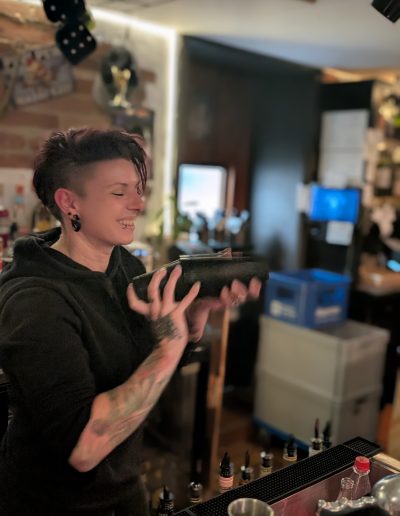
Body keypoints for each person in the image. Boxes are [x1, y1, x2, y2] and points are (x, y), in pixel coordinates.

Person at [0, 128, 261, 516]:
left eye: (139, 190)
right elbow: (84, 448)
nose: (138, 204)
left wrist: (192, 317)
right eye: (119, 192)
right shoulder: (34, 302)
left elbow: (145, 373)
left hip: (124, 494)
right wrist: (169, 346)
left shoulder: (125, 267)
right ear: (70, 202)